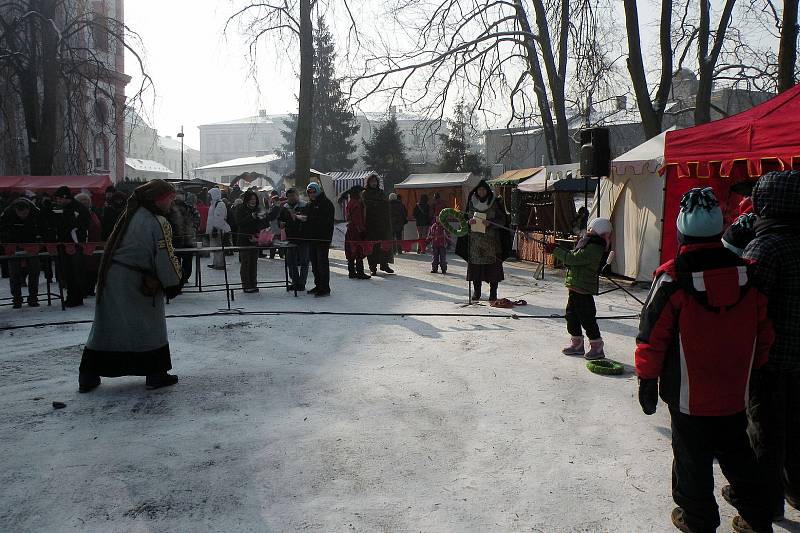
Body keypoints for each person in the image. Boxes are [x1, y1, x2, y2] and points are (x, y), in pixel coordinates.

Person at [635, 187, 775, 533]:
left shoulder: (672, 279)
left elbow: (651, 337)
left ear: (681, 230)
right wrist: (755, 373)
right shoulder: (748, 274)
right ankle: (757, 519)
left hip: (688, 399)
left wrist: (646, 379)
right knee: (738, 455)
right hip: (733, 394)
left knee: (691, 461)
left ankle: (697, 520)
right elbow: (765, 334)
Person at [78, 180, 183, 392]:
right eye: (170, 199)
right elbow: (164, 257)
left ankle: (88, 375)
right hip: (138, 282)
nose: (171, 204)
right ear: (159, 199)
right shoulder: (157, 221)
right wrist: (172, 282)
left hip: (114, 278)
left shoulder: (132, 214)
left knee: (107, 326)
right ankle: (155, 372)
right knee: (149, 327)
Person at [741, 170, 800, 522]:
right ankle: (796, 489)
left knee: (764, 433)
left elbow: (746, 308)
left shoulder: (764, 247)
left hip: (769, 361)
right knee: (796, 428)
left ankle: (763, 507)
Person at [544, 217, 612, 360]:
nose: (588, 230)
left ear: (598, 230)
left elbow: (573, 259)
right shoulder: (587, 242)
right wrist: (557, 248)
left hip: (583, 288)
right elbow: (573, 254)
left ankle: (597, 346)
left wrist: (555, 250)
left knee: (587, 318)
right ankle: (577, 343)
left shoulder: (595, 247)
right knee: (571, 316)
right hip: (575, 286)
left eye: (591, 229)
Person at [456, 180, 511, 302]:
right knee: (476, 269)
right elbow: (465, 219)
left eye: (484, 190)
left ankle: (493, 293)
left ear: (487, 191)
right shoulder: (471, 202)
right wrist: (468, 222)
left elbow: (503, 221)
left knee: (493, 270)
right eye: (479, 190)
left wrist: (491, 223)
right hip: (475, 243)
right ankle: (477, 292)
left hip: (492, 242)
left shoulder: (495, 203)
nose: (481, 192)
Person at [50, 186, 90, 307]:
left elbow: (79, 226)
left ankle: (76, 297)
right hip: (65, 244)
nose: (58, 201)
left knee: (75, 272)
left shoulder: (77, 209)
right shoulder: (66, 208)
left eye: (59, 199)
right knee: (68, 273)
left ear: (64, 197)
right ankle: (72, 296)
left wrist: (73, 237)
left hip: (75, 244)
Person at [0, 198, 42, 308]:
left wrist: (39, 241)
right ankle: (16, 299)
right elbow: (2, 230)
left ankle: (33, 297)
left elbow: (42, 228)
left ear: (29, 210)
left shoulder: (36, 212)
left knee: (34, 272)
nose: (24, 216)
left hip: (32, 245)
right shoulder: (7, 214)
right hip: (13, 245)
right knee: (14, 273)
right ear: (15, 210)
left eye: (26, 213)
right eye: (21, 214)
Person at [298, 182, 334, 297]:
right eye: (309, 192)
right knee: (314, 264)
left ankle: (325, 287)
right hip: (312, 238)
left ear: (318, 190)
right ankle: (318, 285)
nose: (312, 194)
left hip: (323, 238)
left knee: (322, 263)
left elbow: (324, 220)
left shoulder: (326, 203)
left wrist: (308, 219)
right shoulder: (310, 204)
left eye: (313, 192)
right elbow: (306, 214)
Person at [362, 174, 394, 274]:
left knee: (383, 246)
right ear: (368, 182)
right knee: (372, 247)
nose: (374, 183)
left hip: (382, 224)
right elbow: (363, 207)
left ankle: (384, 265)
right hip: (370, 225)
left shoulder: (381, 193)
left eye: (375, 181)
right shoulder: (365, 194)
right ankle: (372, 267)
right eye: (372, 181)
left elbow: (386, 206)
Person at [166, 192, 200, 285]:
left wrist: (192, 228)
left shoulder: (189, 208)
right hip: (177, 239)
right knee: (179, 259)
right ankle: (180, 278)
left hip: (184, 239)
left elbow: (197, 219)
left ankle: (182, 277)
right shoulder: (170, 209)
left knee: (184, 259)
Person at [280, 188, 310, 291]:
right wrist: (281, 224)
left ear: (297, 195)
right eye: (290, 196)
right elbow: (281, 219)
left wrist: (297, 217)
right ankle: (295, 281)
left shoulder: (305, 206)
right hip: (290, 238)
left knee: (304, 261)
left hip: (303, 238)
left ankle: (302, 283)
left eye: (294, 195)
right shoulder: (285, 208)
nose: (292, 198)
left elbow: (307, 219)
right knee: (291, 261)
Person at [235, 190, 264, 293]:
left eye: (255, 199)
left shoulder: (258, 209)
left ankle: (253, 283)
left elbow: (262, 223)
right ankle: (246, 285)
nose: (253, 201)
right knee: (245, 263)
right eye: (251, 199)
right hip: (244, 239)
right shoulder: (240, 208)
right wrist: (251, 216)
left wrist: (262, 220)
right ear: (247, 200)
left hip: (255, 239)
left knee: (253, 263)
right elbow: (239, 222)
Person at [75, 193, 102, 297]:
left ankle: (90, 288)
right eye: (81, 200)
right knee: (83, 268)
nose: (84, 202)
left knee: (94, 268)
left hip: (95, 245)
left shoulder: (94, 212)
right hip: (83, 245)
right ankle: (83, 289)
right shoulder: (77, 214)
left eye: (86, 200)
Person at [345, 188, 370, 280]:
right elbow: (358, 219)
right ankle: (360, 272)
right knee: (358, 249)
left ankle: (351, 271)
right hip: (356, 230)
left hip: (350, 229)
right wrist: (361, 230)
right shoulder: (357, 204)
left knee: (351, 250)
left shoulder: (350, 202)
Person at [206, 187, 230, 269]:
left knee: (219, 247)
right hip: (215, 229)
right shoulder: (214, 203)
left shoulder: (220, 204)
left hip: (218, 229)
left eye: (210, 195)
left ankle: (220, 264)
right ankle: (216, 262)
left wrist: (215, 228)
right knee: (216, 247)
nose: (208, 196)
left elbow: (219, 218)